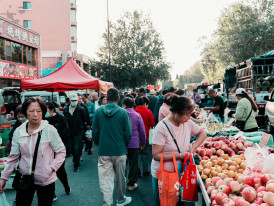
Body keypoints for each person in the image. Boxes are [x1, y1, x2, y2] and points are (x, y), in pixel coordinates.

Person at [0, 97, 66, 206]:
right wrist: (4, 178)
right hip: (24, 178)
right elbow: (13, 158)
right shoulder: (19, 131)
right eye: (31, 111)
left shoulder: (50, 130)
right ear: (25, 112)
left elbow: (61, 151)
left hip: (45, 179)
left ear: (43, 112)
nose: (35, 114)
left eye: (39, 111)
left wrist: (51, 168)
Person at [151, 96, 207, 206]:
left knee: (179, 202)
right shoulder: (161, 128)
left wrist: (193, 148)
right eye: (187, 114)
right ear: (176, 113)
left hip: (181, 172)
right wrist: (181, 155)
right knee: (165, 203)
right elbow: (156, 155)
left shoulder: (187, 122)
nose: (189, 117)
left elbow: (202, 133)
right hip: (165, 174)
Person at [92, 87, 132, 206]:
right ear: (118, 99)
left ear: (107, 98)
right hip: (119, 150)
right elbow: (128, 133)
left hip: (104, 150)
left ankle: (107, 203)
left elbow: (95, 131)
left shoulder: (99, 111)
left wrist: (99, 143)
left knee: (105, 179)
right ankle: (120, 200)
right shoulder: (123, 112)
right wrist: (124, 145)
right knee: (121, 178)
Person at [45, 102, 71, 201]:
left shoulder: (61, 119)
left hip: (59, 150)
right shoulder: (43, 120)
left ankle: (66, 186)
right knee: (49, 172)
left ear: (52, 110)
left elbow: (66, 134)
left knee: (61, 172)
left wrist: (68, 150)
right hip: (46, 151)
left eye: (46, 110)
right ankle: (52, 193)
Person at [122, 97, 146, 190]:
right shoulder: (137, 115)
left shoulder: (121, 114)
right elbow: (142, 131)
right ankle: (131, 183)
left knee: (122, 163)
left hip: (122, 143)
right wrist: (143, 142)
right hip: (134, 143)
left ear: (124, 104)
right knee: (133, 164)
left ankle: (121, 181)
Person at [63, 93, 88, 172]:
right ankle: (76, 158)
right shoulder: (66, 110)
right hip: (69, 132)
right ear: (70, 100)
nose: (74, 102)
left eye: (75, 100)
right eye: (72, 100)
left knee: (77, 148)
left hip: (78, 132)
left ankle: (76, 164)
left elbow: (85, 119)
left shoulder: (81, 109)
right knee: (71, 149)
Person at [135, 96, 155, 176]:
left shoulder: (134, 111)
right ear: (145, 103)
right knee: (145, 154)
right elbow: (152, 124)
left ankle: (137, 169)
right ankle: (145, 169)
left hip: (135, 137)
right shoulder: (148, 112)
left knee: (136, 155)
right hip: (145, 135)